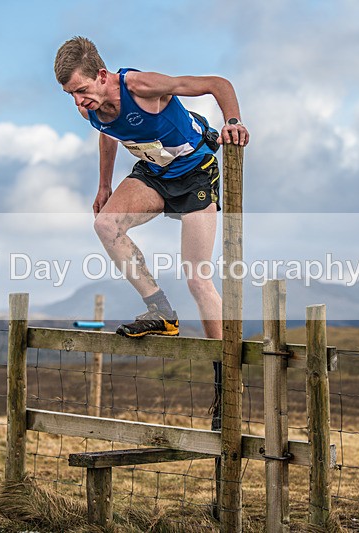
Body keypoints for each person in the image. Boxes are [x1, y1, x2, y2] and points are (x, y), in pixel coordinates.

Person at [54, 36, 249, 339]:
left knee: (198, 279)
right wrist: (104, 185)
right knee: (106, 224)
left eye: (81, 90)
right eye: (70, 95)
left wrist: (233, 121)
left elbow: (218, 83)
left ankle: (223, 368)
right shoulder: (90, 108)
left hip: (194, 172)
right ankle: (161, 312)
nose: (78, 102)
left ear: (102, 76)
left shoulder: (142, 88)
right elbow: (107, 131)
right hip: (155, 174)